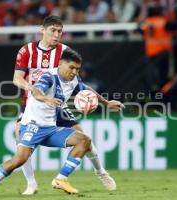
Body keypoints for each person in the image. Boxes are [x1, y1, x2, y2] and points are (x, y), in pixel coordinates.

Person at [0, 49, 124, 197]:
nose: (74, 72)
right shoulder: (49, 77)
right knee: (19, 159)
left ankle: (61, 179)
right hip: (32, 125)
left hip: (51, 128)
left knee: (84, 140)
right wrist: (46, 99)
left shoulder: (74, 79)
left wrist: (106, 102)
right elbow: (36, 91)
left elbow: (86, 89)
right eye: (71, 67)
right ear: (60, 64)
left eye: (77, 69)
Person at [13, 15, 119, 195]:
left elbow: (78, 83)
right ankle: (31, 184)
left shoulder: (65, 51)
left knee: (84, 139)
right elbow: (17, 79)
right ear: (43, 30)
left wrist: (105, 102)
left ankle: (100, 171)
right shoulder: (27, 50)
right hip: (33, 106)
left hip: (58, 105)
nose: (56, 35)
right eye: (53, 30)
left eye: (59, 31)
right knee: (19, 139)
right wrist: (34, 90)